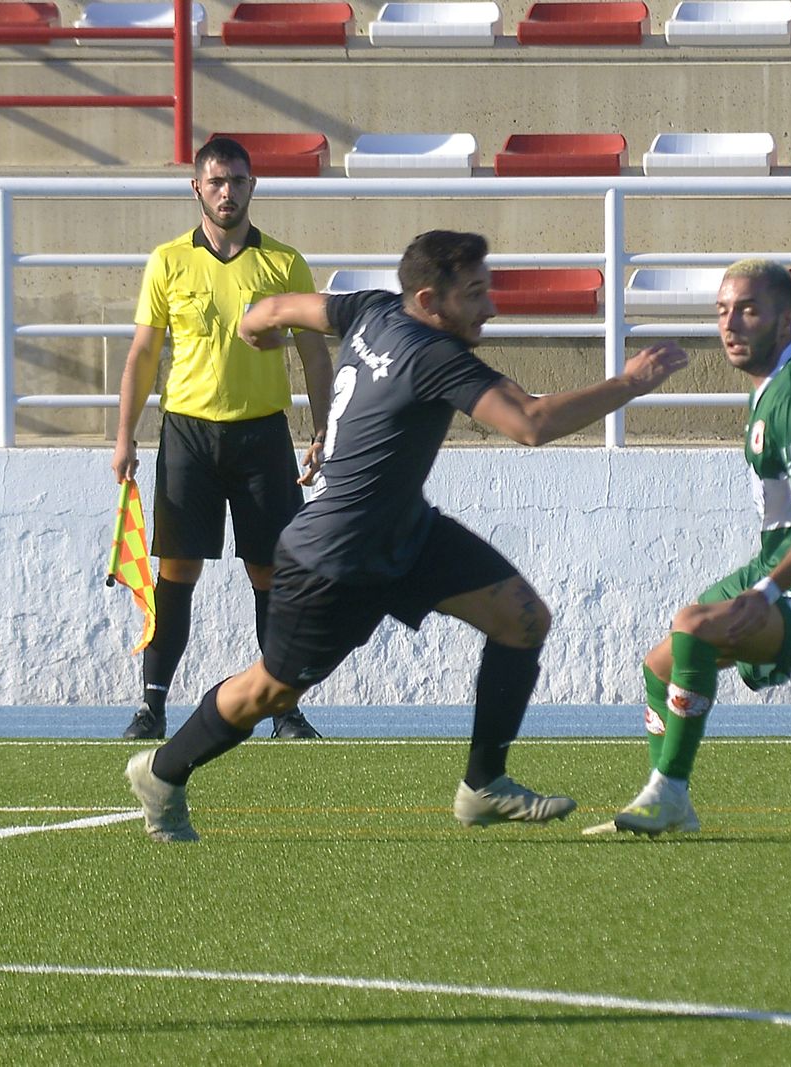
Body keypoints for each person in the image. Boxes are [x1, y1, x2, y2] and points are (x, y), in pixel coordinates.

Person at [125, 229, 689, 842]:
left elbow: (283, 306)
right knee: (272, 691)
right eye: (475, 293)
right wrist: (629, 383)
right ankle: (163, 770)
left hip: (405, 532)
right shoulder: (432, 355)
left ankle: (483, 785)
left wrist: (257, 323)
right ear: (429, 298)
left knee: (523, 618)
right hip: (333, 557)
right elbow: (530, 423)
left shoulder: (369, 307)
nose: (490, 306)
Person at [588, 259, 791, 837]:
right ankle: (667, 800)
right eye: (722, 311)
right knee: (661, 665)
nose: (731, 325)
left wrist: (768, 591)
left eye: (748, 309)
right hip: (778, 569)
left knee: (692, 626)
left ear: (787, 318)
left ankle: (670, 789)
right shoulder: (771, 391)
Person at [112, 136, 333, 743]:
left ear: (252, 186)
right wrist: (124, 437)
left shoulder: (284, 264)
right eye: (215, 181)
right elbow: (143, 352)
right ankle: (152, 706)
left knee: (273, 574)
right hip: (187, 435)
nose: (226, 191)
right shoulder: (167, 261)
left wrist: (322, 430)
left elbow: (315, 354)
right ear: (196, 189)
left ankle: (284, 710)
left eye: (237, 180)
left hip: (263, 435)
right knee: (176, 572)